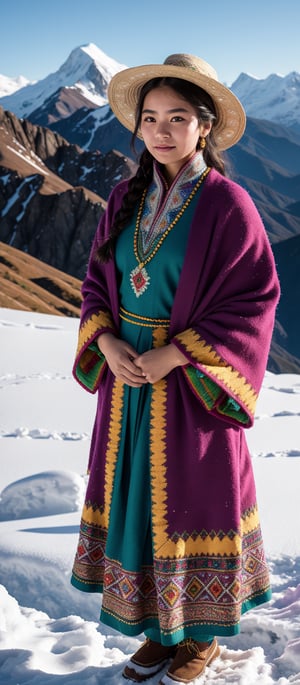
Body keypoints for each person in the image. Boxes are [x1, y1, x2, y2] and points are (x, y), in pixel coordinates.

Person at [71, 53, 280, 684]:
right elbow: (94, 286)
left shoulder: (228, 205)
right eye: (151, 118)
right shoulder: (123, 198)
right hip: (129, 380)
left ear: (205, 126)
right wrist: (106, 343)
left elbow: (253, 300)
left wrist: (178, 353)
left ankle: (201, 637)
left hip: (191, 385)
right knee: (139, 500)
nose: (162, 131)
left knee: (194, 501)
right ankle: (161, 633)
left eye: (179, 118)